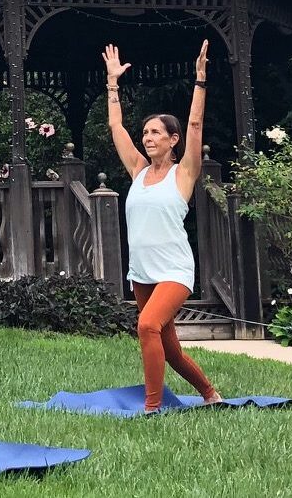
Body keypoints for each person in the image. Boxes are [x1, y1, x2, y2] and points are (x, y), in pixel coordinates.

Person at [101, 40, 225, 412]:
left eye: (156, 133)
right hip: (141, 272)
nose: (148, 138)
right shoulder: (138, 171)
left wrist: (200, 81)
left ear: (173, 141)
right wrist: (112, 83)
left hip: (174, 270)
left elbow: (196, 123)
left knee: (146, 327)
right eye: (146, 134)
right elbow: (115, 125)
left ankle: (152, 408)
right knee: (168, 347)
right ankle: (210, 394)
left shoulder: (183, 174)